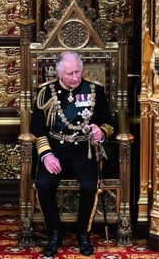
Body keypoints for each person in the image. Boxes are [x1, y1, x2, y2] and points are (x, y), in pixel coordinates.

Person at [30, 51, 114, 256]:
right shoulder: (46, 93)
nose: (75, 77)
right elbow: (37, 128)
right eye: (70, 74)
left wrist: (100, 132)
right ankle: (55, 233)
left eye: (78, 72)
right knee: (43, 184)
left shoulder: (95, 90)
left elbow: (109, 123)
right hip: (55, 149)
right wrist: (47, 155)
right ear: (59, 73)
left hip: (83, 150)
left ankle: (82, 233)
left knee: (88, 185)